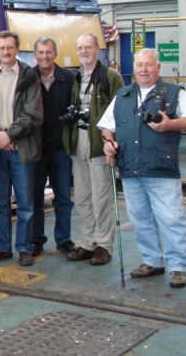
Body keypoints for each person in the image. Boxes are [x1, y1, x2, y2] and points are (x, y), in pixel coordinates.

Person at [100, 48, 186, 289]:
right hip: (130, 168)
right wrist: (108, 143)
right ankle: (152, 260)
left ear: (158, 67)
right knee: (140, 218)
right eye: (139, 65)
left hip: (160, 167)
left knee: (170, 217)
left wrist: (171, 124)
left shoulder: (174, 92)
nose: (143, 70)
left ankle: (177, 265)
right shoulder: (123, 95)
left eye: (148, 65)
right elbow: (106, 125)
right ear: (133, 69)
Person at [0, 30, 42, 267]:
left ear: (17, 49)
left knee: (25, 203)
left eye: (10, 47)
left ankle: (25, 248)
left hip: (21, 148)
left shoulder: (29, 78)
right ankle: (2, 246)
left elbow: (33, 114)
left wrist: (9, 135)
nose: (6, 52)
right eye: (1, 48)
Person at [63, 32, 124, 266]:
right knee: (83, 198)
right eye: (80, 48)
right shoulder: (77, 76)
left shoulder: (110, 76)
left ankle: (104, 246)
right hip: (78, 140)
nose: (84, 51)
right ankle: (88, 243)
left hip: (100, 143)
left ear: (98, 48)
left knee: (102, 198)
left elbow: (120, 111)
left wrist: (113, 142)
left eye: (88, 47)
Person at [31, 36, 76, 256]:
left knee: (63, 198)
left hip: (60, 149)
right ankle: (36, 239)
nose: (45, 56)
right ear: (35, 55)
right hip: (36, 150)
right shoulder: (28, 77)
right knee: (35, 198)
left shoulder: (68, 78)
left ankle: (63, 239)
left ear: (55, 54)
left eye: (48, 52)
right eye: (41, 52)